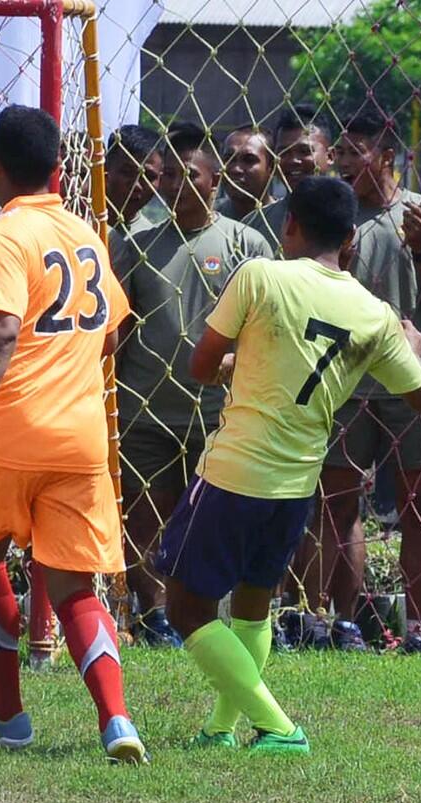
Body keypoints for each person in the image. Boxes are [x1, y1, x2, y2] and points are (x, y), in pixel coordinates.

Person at [154, 176, 421, 753]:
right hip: (297, 483)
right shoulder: (374, 313)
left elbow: (201, 366)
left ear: (290, 225)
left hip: (235, 472)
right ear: (351, 239)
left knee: (185, 607)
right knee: (254, 604)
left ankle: (278, 725)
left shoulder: (261, 276)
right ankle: (219, 727)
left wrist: (238, 359)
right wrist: (411, 345)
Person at [0, 105, 146, 763]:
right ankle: (116, 721)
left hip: (6, 434)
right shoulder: (84, 233)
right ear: (58, 169)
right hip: (78, 437)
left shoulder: (0, 235)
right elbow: (111, 330)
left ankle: (8, 716)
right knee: (74, 586)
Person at [113, 123, 272, 646]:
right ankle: (153, 613)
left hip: (216, 413)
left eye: (191, 175)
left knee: (207, 522)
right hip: (145, 408)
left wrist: (235, 361)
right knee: (141, 516)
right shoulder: (137, 244)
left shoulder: (245, 242)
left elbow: (268, 322)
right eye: (169, 176)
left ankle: (200, 615)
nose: (177, 185)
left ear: (214, 179)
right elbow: (117, 323)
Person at [315, 107, 421, 652]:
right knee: (340, 503)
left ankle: (420, 629)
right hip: (348, 384)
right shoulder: (336, 216)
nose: (347, 162)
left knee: (417, 507)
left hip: (415, 385)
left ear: (387, 154)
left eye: (358, 151)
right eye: (342, 153)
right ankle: (342, 623)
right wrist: (342, 262)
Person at [244, 105, 335, 252]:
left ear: (330, 156)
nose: (293, 160)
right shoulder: (255, 224)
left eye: (305, 151)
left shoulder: (353, 221)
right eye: (284, 152)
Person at [104, 124, 165, 236]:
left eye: (148, 177)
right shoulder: (76, 220)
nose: (136, 185)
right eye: (127, 172)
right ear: (105, 169)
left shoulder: (148, 241)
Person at [215, 125, 276, 222]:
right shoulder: (207, 217)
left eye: (249, 160)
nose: (236, 169)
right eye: (229, 159)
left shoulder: (287, 220)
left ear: (271, 167)